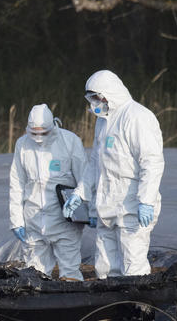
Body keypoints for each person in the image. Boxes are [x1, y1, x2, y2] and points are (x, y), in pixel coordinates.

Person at [63, 70, 164, 278]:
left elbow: (152, 162)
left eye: (97, 97)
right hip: (107, 207)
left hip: (132, 206)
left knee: (133, 267)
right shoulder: (103, 121)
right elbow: (95, 162)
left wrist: (146, 201)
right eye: (91, 98)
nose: (94, 103)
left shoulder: (137, 117)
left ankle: (138, 300)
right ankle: (109, 299)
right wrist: (80, 193)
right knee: (105, 269)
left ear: (110, 93)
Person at [9, 103, 87, 280]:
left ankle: (73, 296)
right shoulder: (22, 144)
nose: (38, 138)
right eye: (34, 133)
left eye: (43, 133)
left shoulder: (69, 141)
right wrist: (16, 220)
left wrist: (85, 203)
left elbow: (85, 177)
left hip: (64, 220)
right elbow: (17, 184)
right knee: (35, 275)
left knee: (70, 271)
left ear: (53, 126)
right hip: (33, 221)